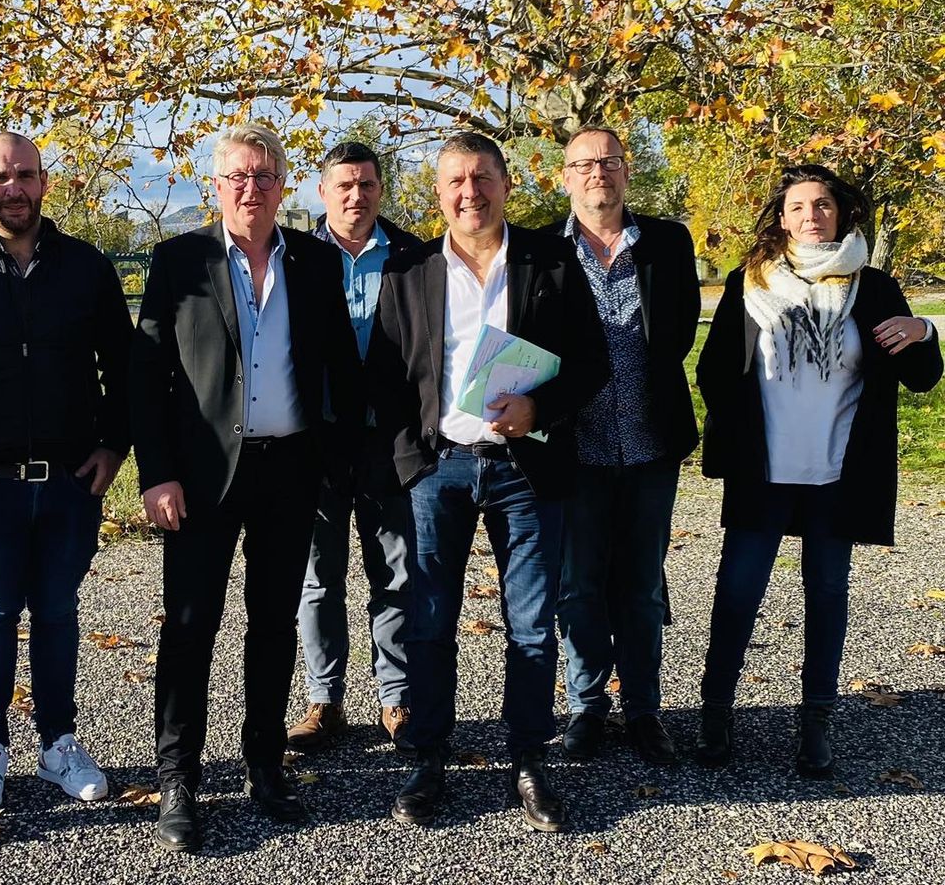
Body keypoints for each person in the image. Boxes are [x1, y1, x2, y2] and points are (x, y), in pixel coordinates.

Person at [368, 132, 607, 831]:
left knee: (531, 626)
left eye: (481, 178)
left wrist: (541, 408)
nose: (469, 193)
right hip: (438, 471)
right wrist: (410, 457)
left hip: (525, 470)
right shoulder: (408, 268)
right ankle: (428, 757)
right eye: (454, 182)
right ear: (438, 193)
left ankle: (528, 759)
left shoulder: (551, 261)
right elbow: (385, 375)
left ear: (506, 184)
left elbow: (591, 363)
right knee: (430, 623)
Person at [131, 124, 361, 852]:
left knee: (272, 626)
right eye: (237, 176)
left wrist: (338, 458)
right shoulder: (179, 261)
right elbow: (147, 378)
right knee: (191, 628)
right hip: (201, 477)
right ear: (216, 184)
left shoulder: (318, 264)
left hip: (290, 469)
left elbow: (342, 372)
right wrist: (157, 471)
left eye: (264, 175)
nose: (251, 188)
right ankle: (180, 778)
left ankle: (265, 762)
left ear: (284, 184)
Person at [695, 164, 941, 777]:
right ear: (781, 218)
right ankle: (716, 716)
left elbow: (920, 377)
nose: (812, 215)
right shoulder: (746, 284)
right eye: (799, 206)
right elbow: (715, 374)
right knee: (738, 593)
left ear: (842, 213)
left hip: (839, 470)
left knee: (828, 595)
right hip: (765, 471)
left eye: (823, 204)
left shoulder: (876, 288)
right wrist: (737, 435)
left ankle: (816, 724)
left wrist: (925, 330)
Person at [0, 132, 133, 813]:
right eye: (0, 177)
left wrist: (114, 446)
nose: (14, 187)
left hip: (72, 479)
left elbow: (123, 367)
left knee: (59, 612)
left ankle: (58, 742)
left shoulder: (88, 268)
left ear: (45, 183)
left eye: (26, 175)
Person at [545, 127, 700, 765]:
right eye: (582, 165)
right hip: (573, 450)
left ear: (625, 171)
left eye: (607, 161)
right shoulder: (544, 254)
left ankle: (643, 708)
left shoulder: (666, 241)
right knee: (578, 587)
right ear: (564, 178)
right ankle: (586, 706)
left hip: (648, 445)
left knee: (640, 584)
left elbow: (680, 329)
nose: (595, 174)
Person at [286, 142, 421, 755]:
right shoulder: (293, 257)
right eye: (343, 185)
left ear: (379, 189)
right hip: (314, 438)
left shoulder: (414, 257)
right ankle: (324, 699)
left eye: (366, 184)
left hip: (388, 438)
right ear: (322, 192)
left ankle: (397, 698)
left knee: (394, 572)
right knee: (318, 576)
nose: (355, 196)